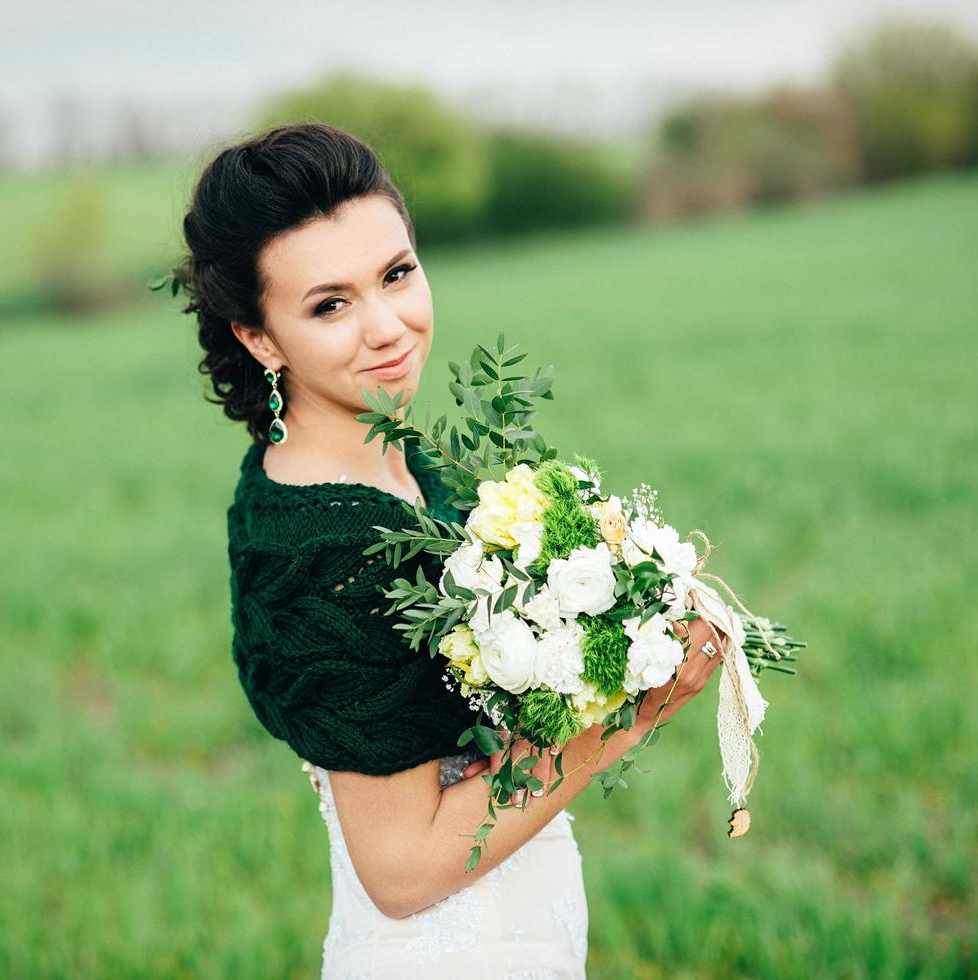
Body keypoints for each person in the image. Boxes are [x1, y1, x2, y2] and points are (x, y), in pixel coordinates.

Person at [167, 122, 729, 978]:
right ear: (260, 338)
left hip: (523, 923)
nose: (389, 327)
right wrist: (632, 708)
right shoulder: (324, 550)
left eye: (397, 273)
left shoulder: (402, 454)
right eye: (330, 304)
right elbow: (400, 872)